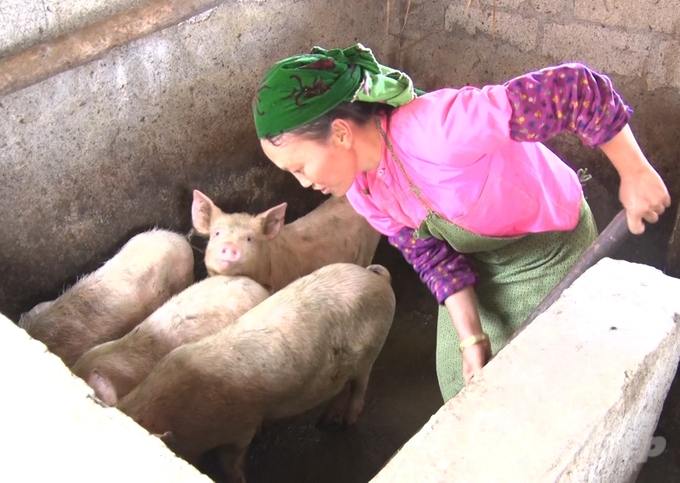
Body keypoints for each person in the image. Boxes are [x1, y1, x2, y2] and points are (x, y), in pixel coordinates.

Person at [251, 43, 671, 402]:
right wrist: (471, 338)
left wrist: (634, 172)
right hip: (481, 261)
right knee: (461, 383)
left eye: (301, 166)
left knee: (541, 384)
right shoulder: (363, 192)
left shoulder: (437, 130)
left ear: (341, 134)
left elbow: (576, 88)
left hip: (547, 250)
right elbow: (431, 256)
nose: (304, 182)